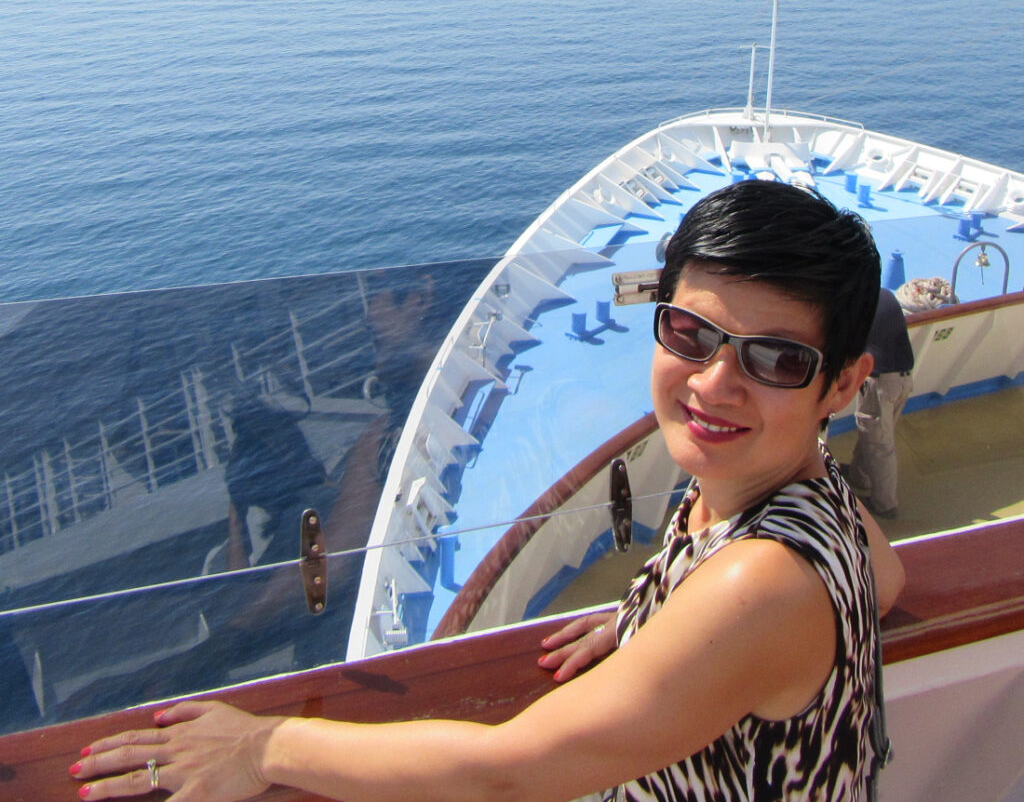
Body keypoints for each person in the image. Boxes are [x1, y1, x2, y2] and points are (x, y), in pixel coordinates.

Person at [69, 181, 905, 802]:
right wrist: (663, 623)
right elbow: (884, 575)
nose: (715, 384)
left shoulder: (759, 582)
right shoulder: (815, 499)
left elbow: (511, 772)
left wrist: (263, 749)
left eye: (775, 359)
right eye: (692, 334)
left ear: (841, 384)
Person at [844, 287, 915, 518]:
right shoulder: (884, 295)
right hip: (903, 379)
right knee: (875, 435)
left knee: (879, 445)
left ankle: (885, 504)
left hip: (880, 383)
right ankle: (858, 477)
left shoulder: (855, 305)